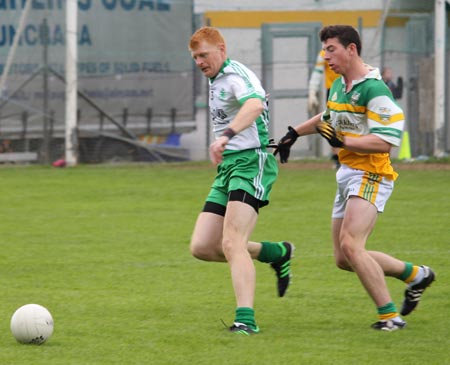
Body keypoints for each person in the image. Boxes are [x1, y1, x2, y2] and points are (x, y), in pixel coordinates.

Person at [275, 25, 435, 331]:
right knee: (343, 258)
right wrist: (294, 132)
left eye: (331, 49)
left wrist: (343, 142)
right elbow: (327, 117)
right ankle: (416, 275)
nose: (326, 57)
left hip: (372, 172)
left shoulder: (374, 89)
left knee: (351, 244)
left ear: (352, 49)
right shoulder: (339, 85)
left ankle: (390, 317)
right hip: (347, 173)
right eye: (324, 51)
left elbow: (386, 141)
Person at [188, 26, 294, 336]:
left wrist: (227, 135)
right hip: (229, 167)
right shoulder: (216, 79)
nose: (199, 62)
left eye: (204, 55)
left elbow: (254, 105)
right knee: (203, 246)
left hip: (252, 162)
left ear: (221, 48)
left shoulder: (235, 75)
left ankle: (245, 320)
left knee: (232, 242)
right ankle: (276, 253)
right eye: (195, 58)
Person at [308, 49, 341, 168]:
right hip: (333, 91)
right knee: (333, 124)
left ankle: (348, 155)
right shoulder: (323, 54)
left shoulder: (347, 50)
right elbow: (317, 72)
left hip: (350, 88)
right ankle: (337, 157)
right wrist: (312, 91)